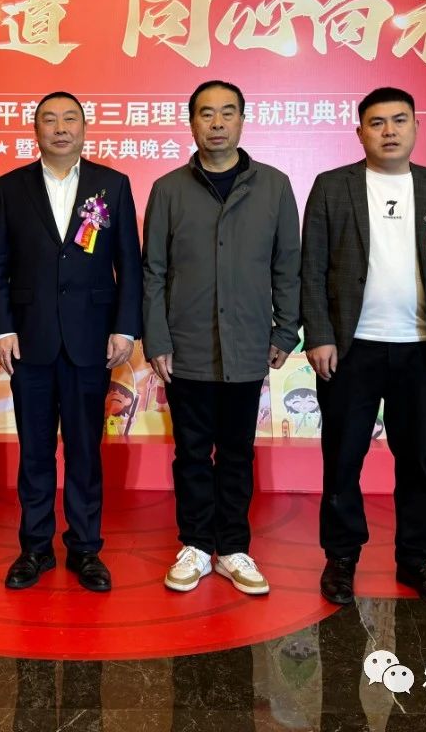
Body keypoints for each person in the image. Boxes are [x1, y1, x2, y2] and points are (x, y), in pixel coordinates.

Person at [301, 86, 426, 611]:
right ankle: (341, 557)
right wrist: (320, 335)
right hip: (352, 349)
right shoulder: (333, 186)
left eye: (399, 120)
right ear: (360, 132)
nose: (389, 131)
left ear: (416, 127)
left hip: (422, 350)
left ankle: (416, 558)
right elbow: (312, 269)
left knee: (417, 461)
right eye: (377, 122)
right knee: (343, 458)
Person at [143, 79, 301, 595]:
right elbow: (153, 272)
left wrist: (285, 329)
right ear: (192, 123)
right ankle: (194, 545)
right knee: (191, 453)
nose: (216, 123)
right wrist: (157, 340)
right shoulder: (168, 189)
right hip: (185, 348)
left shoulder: (274, 187)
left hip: (248, 345)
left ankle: (233, 548)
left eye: (227, 113)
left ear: (242, 120)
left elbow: (288, 267)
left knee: (236, 453)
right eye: (206, 114)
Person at [0, 91, 142, 592]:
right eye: (49, 120)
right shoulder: (10, 187)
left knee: (84, 451)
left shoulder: (112, 185)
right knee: (34, 452)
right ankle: (34, 548)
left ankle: (85, 548)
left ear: (84, 128)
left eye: (69, 119)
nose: (59, 128)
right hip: (29, 342)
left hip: (90, 341)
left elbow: (129, 264)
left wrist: (125, 327)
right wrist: (2, 328)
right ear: (35, 130)